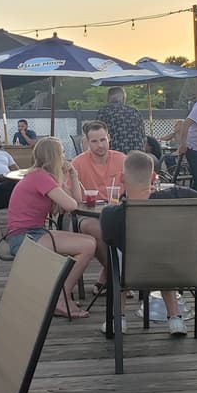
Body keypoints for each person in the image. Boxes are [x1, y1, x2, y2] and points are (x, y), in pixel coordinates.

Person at [99, 150, 197, 335]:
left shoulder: (111, 215)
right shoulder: (177, 196)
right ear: (154, 177)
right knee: (164, 249)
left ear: (123, 178)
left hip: (134, 275)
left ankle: (119, 317)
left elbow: (109, 242)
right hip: (180, 271)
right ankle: (175, 318)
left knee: (119, 253)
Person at [5, 137, 96, 319]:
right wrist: (64, 179)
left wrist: (73, 175)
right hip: (24, 238)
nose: (65, 156)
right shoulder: (41, 178)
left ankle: (59, 294)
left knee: (89, 242)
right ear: (54, 156)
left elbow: (76, 200)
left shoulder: (43, 176)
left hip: (32, 233)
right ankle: (60, 297)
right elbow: (71, 205)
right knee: (87, 245)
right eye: (62, 152)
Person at [71, 120, 126, 289]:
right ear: (87, 142)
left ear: (109, 138)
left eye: (103, 140)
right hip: (88, 214)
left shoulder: (122, 159)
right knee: (93, 228)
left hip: (118, 211)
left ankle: (111, 276)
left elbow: (140, 183)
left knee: (135, 226)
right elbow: (73, 199)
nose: (100, 145)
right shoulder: (78, 163)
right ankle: (119, 277)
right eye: (94, 141)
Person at [95, 86, 146, 155]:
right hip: (137, 156)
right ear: (123, 98)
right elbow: (143, 136)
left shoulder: (104, 112)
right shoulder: (135, 111)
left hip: (115, 155)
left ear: (108, 98)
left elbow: (97, 135)